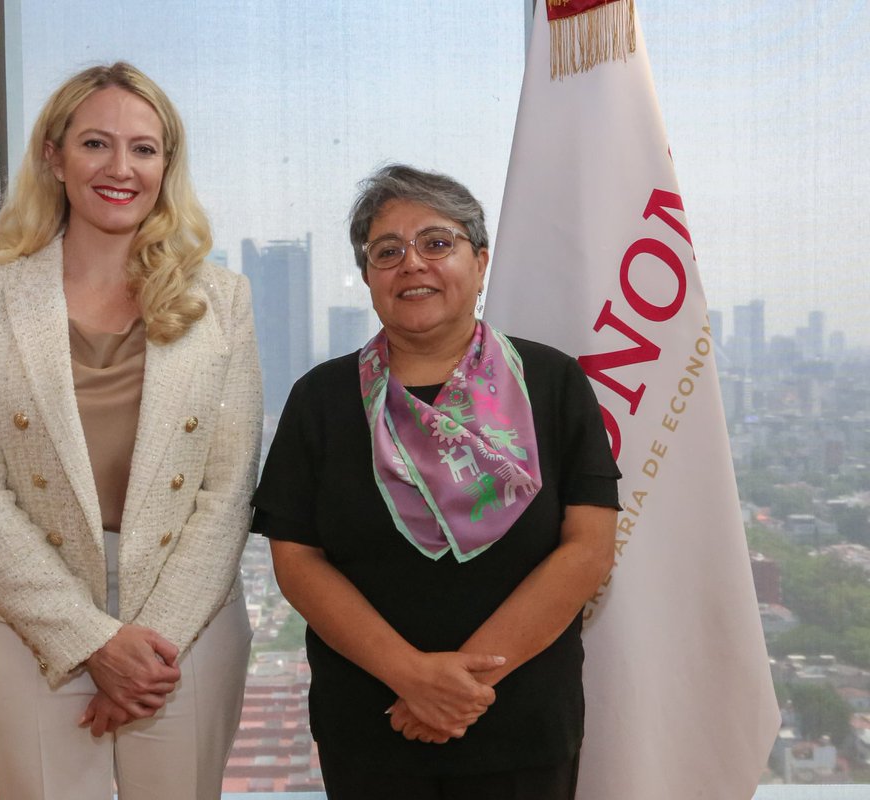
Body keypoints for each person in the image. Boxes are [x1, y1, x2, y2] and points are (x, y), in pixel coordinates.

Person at [0, 62, 261, 800]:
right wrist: (90, 643)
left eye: (144, 149)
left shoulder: (223, 298)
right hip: (26, 619)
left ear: (166, 165)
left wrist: (146, 649)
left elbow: (228, 486)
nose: (121, 168)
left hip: (185, 623)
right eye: (96, 144)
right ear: (54, 156)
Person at [252, 164, 620, 800]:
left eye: (437, 242)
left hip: (520, 722)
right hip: (370, 721)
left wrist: (457, 689)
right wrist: (412, 678)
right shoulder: (321, 398)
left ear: (480, 262)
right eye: (386, 251)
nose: (411, 263)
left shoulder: (553, 383)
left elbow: (587, 548)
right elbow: (297, 558)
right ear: (368, 277)